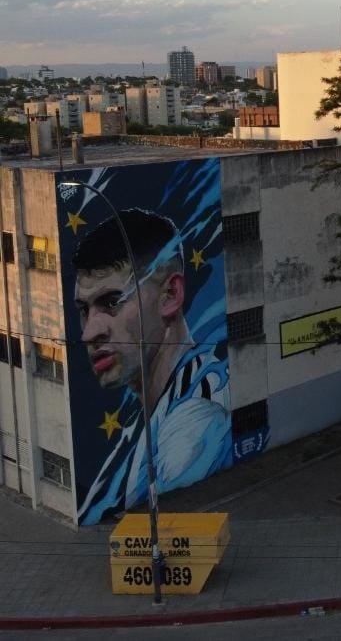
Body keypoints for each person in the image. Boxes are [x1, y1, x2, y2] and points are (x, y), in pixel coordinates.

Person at [73, 209, 232, 525]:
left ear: (170, 296)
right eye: (84, 309)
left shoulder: (197, 418)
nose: (89, 333)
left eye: (111, 302)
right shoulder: (155, 408)